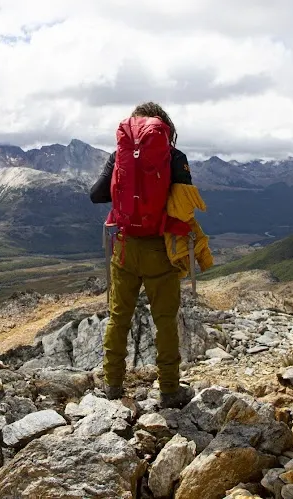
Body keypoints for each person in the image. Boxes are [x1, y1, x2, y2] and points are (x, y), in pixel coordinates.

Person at [89, 101, 195, 409]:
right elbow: (183, 201)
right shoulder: (174, 157)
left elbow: (96, 195)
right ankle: (170, 390)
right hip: (160, 249)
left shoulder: (119, 156)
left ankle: (112, 385)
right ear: (165, 127)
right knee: (164, 320)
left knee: (118, 317)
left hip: (124, 248)